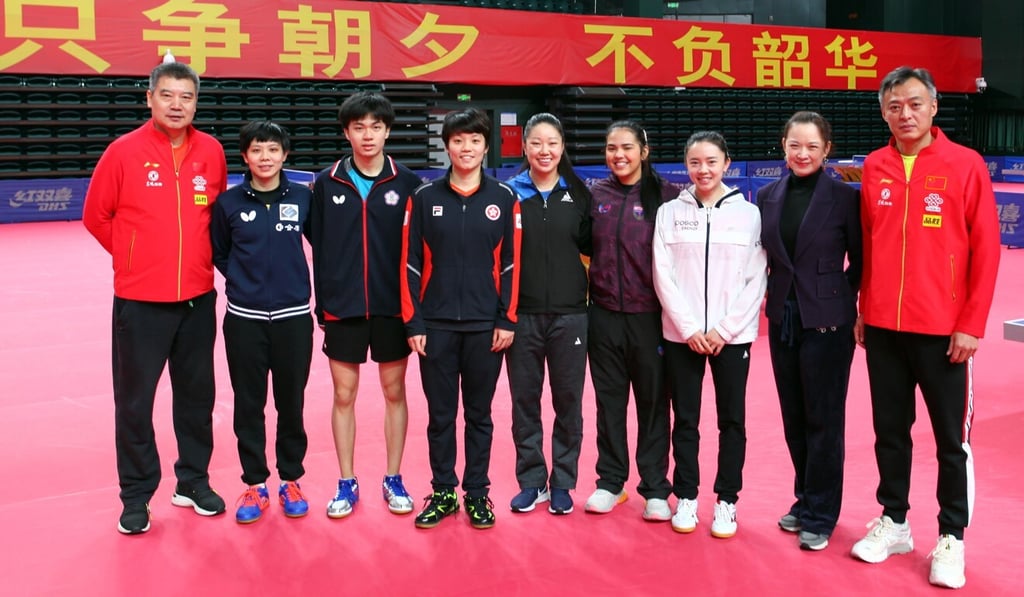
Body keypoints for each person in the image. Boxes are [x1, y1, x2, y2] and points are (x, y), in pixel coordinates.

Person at [851, 66, 1000, 589]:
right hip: (885, 329)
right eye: (894, 106)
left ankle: (951, 535)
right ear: (883, 112)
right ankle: (894, 521)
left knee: (948, 442)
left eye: (914, 104)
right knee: (889, 433)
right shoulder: (874, 166)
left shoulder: (965, 165)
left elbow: (986, 250)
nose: (905, 114)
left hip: (945, 333)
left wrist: (972, 323)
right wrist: (866, 307)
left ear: (934, 107)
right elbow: (870, 245)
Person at [82, 61, 228, 535]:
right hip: (140, 302)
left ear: (196, 102)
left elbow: (217, 218)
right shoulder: (122, 152)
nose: (177, 105)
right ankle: (137, 495)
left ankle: (192, 480)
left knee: (196, 398)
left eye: (186, 97)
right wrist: (133, 257)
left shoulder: (212, 152)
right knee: (135, 402)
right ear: (149, 98)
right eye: (167, 95)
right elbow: (96, 216)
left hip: (197, 300)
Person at [401, 107, 521, 530]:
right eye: (457, 140)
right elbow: (411, 263)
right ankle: (443, 491)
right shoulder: (424, 198)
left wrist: (507, 319)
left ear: (486, 146)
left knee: (479, 415)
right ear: (446, 145)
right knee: (439, 416)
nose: (466, 148)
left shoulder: (504, 199)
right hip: (434, 327)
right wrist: (413, 323)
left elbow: (511, 264)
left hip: (486, 328)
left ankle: (477, 494)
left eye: (474, 140)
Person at [309, 91, 423, 519]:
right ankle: (346, 481)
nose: (368, 134)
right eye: (359, 127)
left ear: (388, 131)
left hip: (394, 308)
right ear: (346, 132)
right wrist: (329, 297)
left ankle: (393, 478)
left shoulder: (408, 183)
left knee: (395, 391)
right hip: (344, 307)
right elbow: (317, 241)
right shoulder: (326, 182)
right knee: (344, 393)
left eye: (376, 126)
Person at [653, 131, 767, 539]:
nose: (703, 170)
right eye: (695, 163)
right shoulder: (669, 212)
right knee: (684, 419)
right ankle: (685, 495)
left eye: (711, 162)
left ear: (727, 163)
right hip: (682, 336)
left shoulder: (748, 214)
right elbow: (662, 274)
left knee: (731, 420)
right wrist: (688, 328)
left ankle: (726, 501)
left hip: (731, 337)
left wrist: (723, 329)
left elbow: (755, 278)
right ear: (686, 165)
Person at [757, 112, 862, 551]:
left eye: (812, 147)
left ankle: (822, 512)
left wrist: (841, 300)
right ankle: (804, 499)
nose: (802, 154)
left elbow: (861, 259)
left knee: (824, 421)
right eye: (795, 145)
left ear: (827, 150)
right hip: (783, 320)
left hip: (828, 323)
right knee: (794, 419)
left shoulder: (844, 198)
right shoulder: (767, 195)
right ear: (783, 145)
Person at [210, 121, 313, 524]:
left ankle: (291, 479)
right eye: (257, 150)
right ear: (245, 157)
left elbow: (320, 242)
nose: (265, 157)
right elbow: (220, 253)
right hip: (245, 321)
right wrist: (241, 281)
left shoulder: (304, 198)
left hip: (293, 319)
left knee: (292, 404)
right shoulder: (229, 203)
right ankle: (255, 483)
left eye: (273, 149)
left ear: (285, 154)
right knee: (248, 406)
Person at [584, 120, 675, 521]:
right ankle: (611, 482)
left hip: (650, 319)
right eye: (609, 148)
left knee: (654, 405)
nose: (617, 155)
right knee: (609, 404)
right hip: (603, 316)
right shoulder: (595, 195)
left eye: (626, 147)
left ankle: (655, 487)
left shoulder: (667, 198)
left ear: (644, 150)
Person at [504, 113, 592, 516]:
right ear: (524, 146)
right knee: (524, 401)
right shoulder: (507, 195)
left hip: (571, 316)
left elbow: (596, 252)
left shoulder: (579, 194)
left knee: (568, 400)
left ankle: (563, 482)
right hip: (520, 317)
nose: (545, 151)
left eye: (552, 142)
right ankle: (532, 480)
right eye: (536, 142)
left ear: (562, 147)